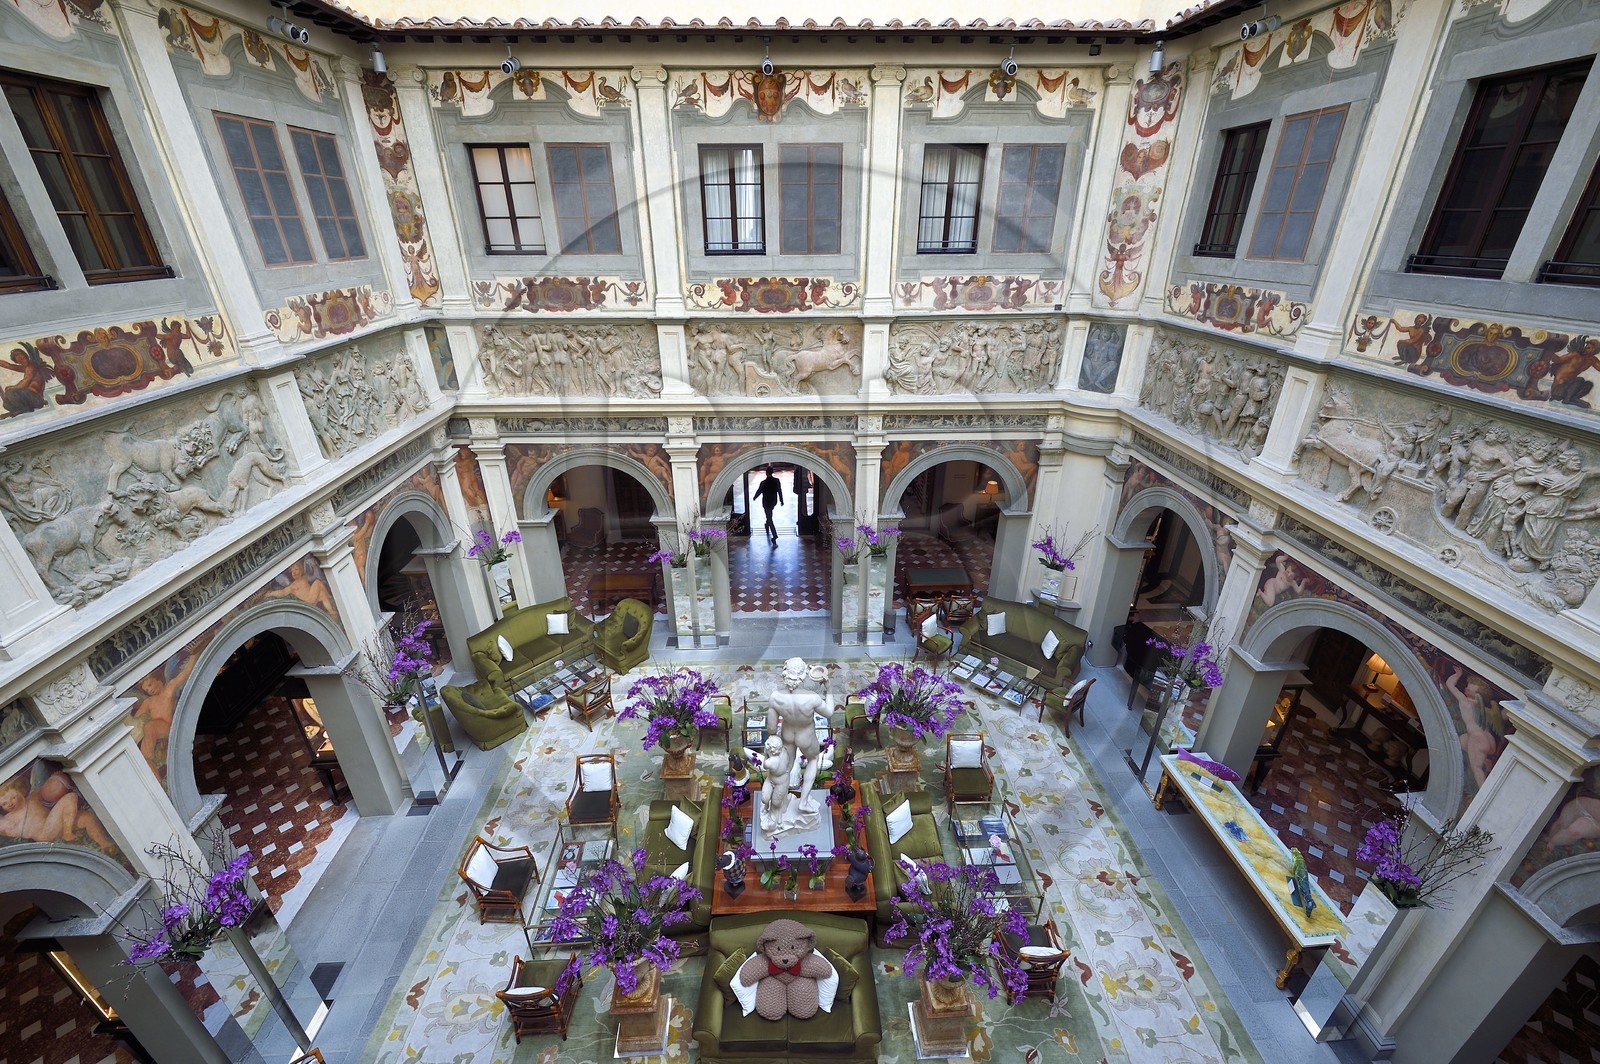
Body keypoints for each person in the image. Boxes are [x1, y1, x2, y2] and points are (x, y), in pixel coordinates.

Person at [754, 466, 784, 545]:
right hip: (773, 501)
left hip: (766, 502)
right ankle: (767, 525)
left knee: (769, 517)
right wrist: (781, 500)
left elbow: (759, 491)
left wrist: (754, 497)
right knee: (769, 514)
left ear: (766, 473)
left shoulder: (763, 483)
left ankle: (774, 535)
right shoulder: (776, 481)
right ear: (772, 472)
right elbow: (779, 491)